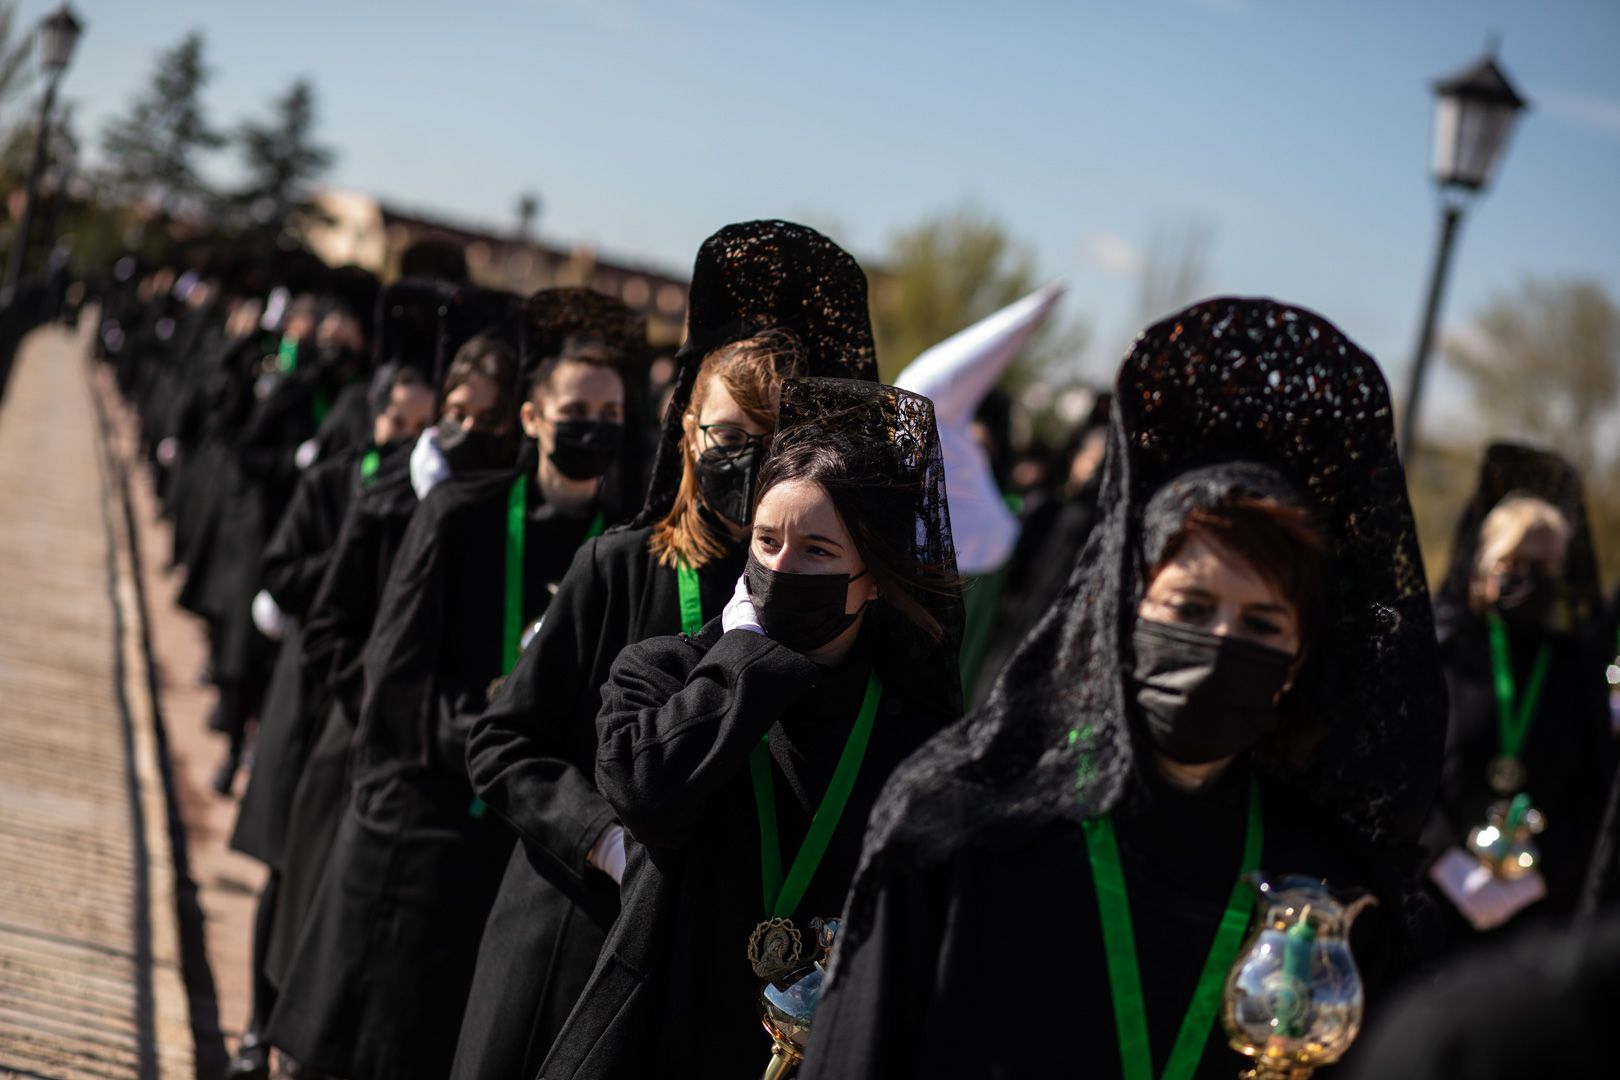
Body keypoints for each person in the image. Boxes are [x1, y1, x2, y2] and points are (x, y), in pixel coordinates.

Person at [800, 297, 1448, 1080]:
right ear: (1122, 608)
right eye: (1191, 607)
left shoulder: (1329, 896)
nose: (1217, 648)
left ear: (1301, 660)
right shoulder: (963, 824)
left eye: (1262, 625)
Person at [453, 221, 877, 1080]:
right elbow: (501, 744)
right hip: (573, 929)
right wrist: (603, 838)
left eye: (772, 441)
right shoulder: (619, 565)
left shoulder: (818, 602)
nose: (746, 461)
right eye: (727, 436)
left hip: (722, 970)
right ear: (685, 429)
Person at [542, 377, 961, 1079]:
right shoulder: (662, 671)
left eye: (818, 552)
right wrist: (742, 658)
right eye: (767, 541)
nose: (781, 568)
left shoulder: (911, 735)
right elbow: (649, 793)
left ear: (876, 578)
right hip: (658, 1035)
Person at [222, 363, 435, 1079]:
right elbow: (283, 571)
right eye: (396, 425)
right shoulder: (338, 480)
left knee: (327, 875)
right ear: (373, 419)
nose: (406, 441)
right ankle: (256, 1023)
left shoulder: (435, 505)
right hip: (313, 694)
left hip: (363, 716)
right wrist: (350, 555)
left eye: (420, 429)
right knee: (286, 867)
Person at [1423, 444, 1612, 937]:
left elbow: (1594, 792)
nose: (1533, 579)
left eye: (1547, 567)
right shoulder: (1442, 652)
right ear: (1486, 567)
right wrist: (1444, 861)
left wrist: (1538, 881)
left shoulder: (1575, 669)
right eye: (1517, 562)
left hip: (1534, 915)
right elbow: (1401, 774)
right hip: (1428, 895)